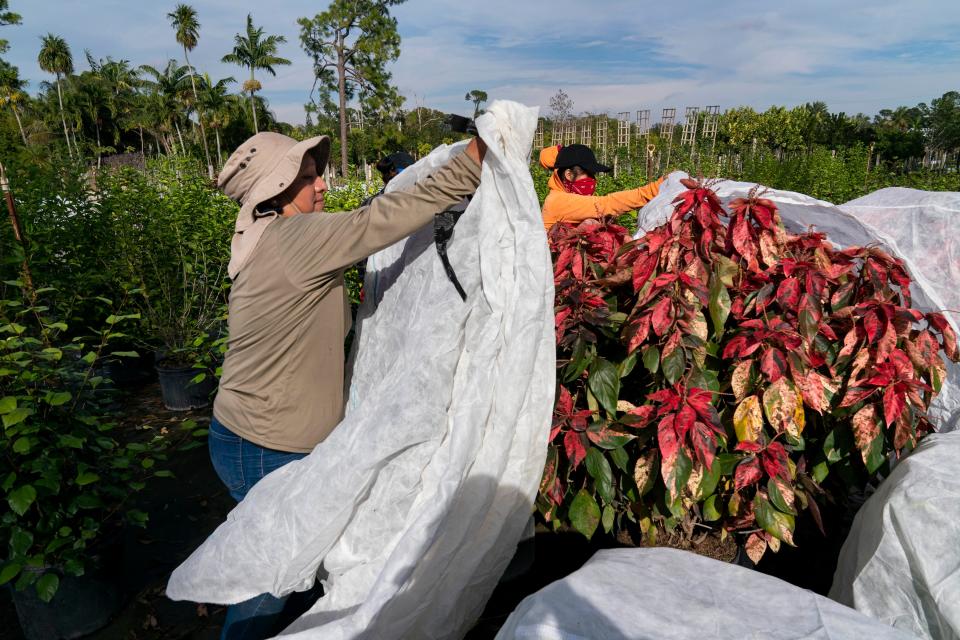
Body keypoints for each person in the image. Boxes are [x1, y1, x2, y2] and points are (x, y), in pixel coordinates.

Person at [207, 131, 486, 639]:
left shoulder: (269, 233)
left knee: (289, 569)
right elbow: (378, 222)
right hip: (266, 446)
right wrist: (474, 160)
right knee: (269, 580)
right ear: (276, 188)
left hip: (250, 434)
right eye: (308, 179)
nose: (320, 188)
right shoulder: (296, 241)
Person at [538, 143, 665, 231]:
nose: (592, 180)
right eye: (587, 174)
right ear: (569, 175)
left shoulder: (568, 195)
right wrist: (654, 189)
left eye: (593, 175)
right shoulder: (558, 201)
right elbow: (606, 204)